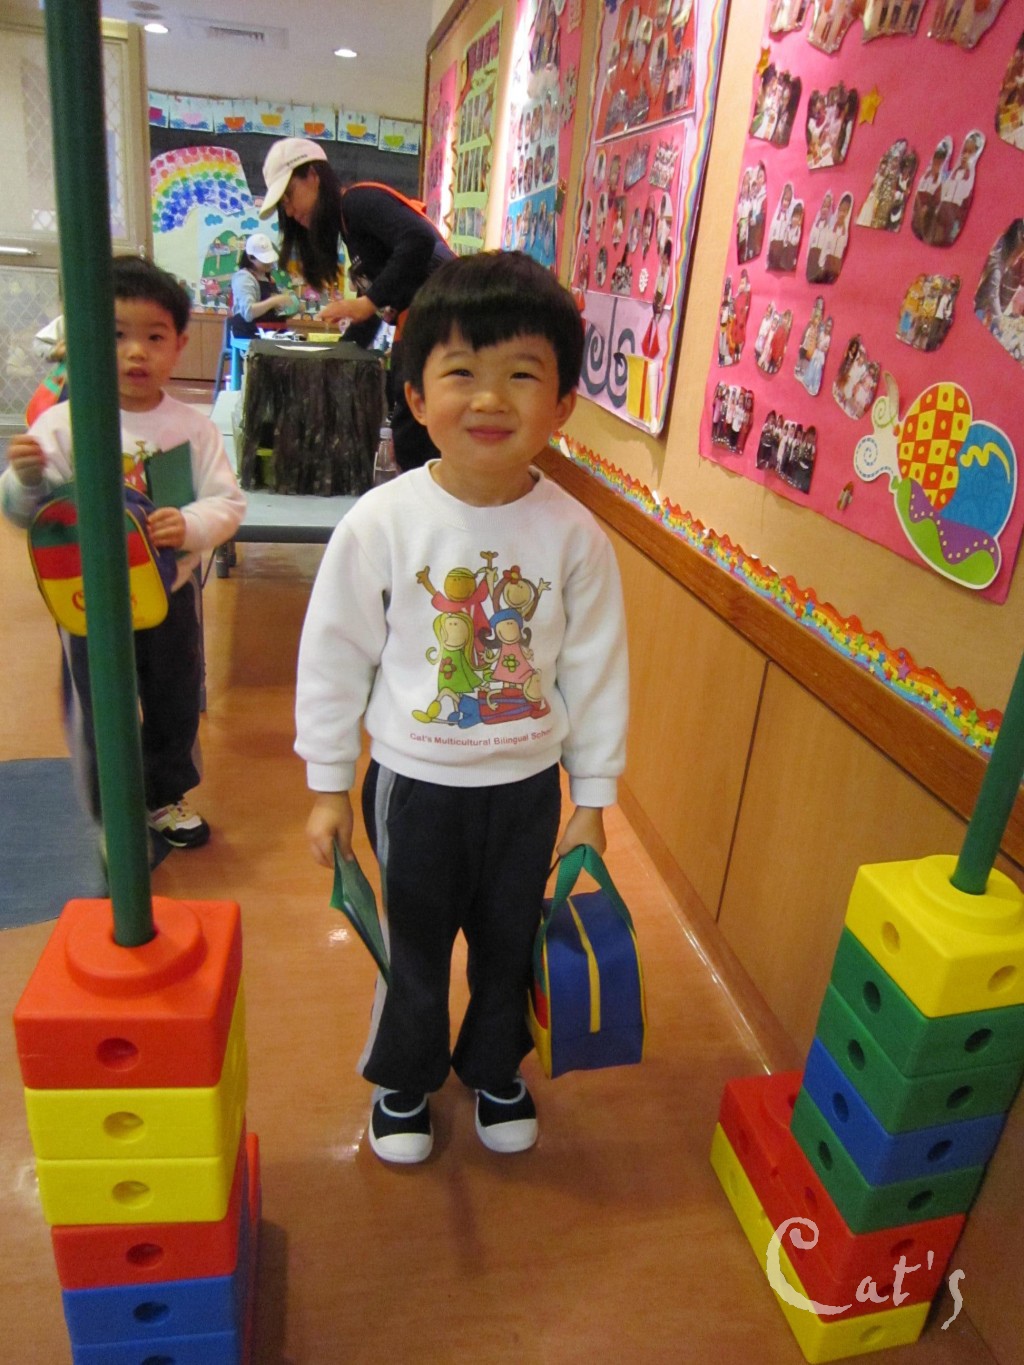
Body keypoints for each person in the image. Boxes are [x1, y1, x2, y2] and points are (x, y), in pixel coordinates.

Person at [294, 251, 628, 1165]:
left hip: (526, 791)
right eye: (461, 372)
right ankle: (404, 1074)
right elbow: (334, 657)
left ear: (563, 405)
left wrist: (593, 798)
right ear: (415, 395)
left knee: (508, 941)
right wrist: (329, 785)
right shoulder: (382, 521)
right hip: (414, 786)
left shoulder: (575, 537)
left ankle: (494, 1065)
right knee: (414, 944)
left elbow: (596, 671)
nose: (489, 398)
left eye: (522, 374)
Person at [0, 256, 246, 850]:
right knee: (97, 707)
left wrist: (189, 524)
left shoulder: (193, 429)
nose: (136, 353)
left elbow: (227, 503)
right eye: (115, 335)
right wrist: (26, 479)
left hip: (170, 594)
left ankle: (165, 796)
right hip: (88, 601)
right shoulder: (62, 425)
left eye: (154, 337)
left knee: (175, 699)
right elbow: (27, 515)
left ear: (180, 344)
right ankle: (110, 808)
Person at [258, 137, 456, 471]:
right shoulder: (350, 228)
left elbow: (418, 239)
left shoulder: (358, 202)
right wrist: (338, 354)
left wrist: (367, 302)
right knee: (410, 424)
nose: (289, 211)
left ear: (312, 176)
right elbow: (383, 304)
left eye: (289, 196)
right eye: (283, 207)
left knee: (413, 429)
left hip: (444, 321)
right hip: (425, 324)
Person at [229, 231, 294, 340]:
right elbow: (248, 313)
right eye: (264, 260)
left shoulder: (269, 278)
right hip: (249, 337)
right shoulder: (243, 277)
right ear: (251, 258)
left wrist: (291, 307)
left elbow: (274, 312)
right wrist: (274, 301)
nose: (269, 263)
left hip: (272, 335)